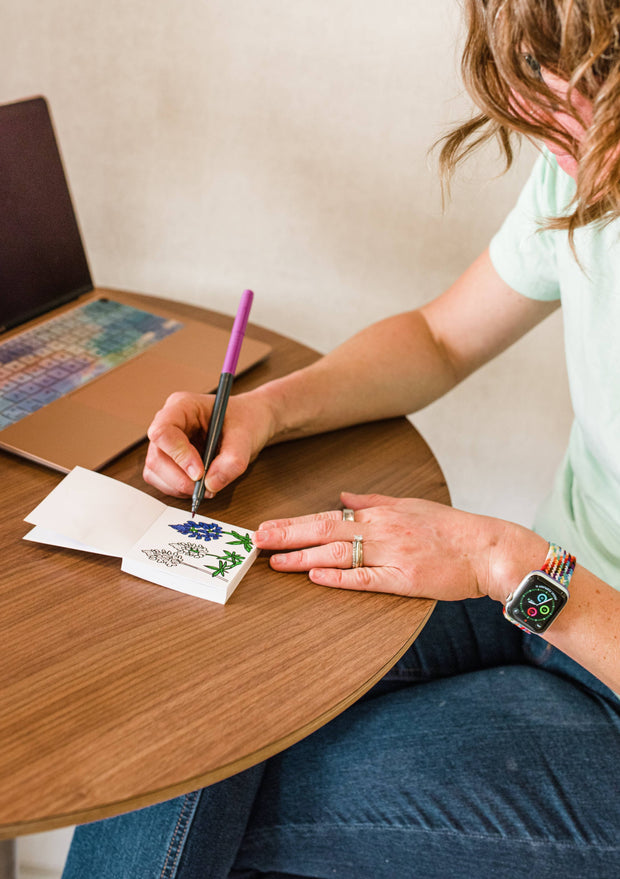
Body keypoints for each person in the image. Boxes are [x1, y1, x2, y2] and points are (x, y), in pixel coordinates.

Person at [62, 1, 620, 877]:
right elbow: (440, 339)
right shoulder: (583, 166)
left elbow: (532, 580)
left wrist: (508, 566)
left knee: (205, 780)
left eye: (580, 74)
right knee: (189, 696)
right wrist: (266, 411)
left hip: (591, 650)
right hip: (541, 595)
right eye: (532, 66)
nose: (536, 103)